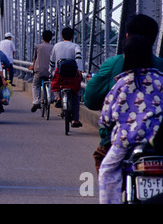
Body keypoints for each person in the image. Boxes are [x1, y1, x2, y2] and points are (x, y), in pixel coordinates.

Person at [84, 14, 163, 173]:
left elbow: (91, 100)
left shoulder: (115, 69)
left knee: (104, 166)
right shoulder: (160, 68)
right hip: (158, 139)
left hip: (121, 140)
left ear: (126, 37)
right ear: (154, 40)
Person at [98, 34, 163, 204]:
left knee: (107, 172)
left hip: (127, 141)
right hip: (158, 140)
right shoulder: (161, 80)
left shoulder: (122, 83)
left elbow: (105, 117)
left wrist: (106, 124)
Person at [49, 27, 83, 127]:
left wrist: (50, 71)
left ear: (62, 36)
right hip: (72, 74)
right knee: (75, 93)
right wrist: (79, 70)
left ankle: (58, 98)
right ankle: (76, 120)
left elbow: (52, 61)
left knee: (54, 85)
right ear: (72, 36)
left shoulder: (56, 45)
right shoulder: (75, 46)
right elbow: (78, 57)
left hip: (60, 73)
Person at [29, 30, 54, 112]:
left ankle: (36, 101)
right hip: (50, 71)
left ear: (42, 37)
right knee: (52, 83)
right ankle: (52, 97)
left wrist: (33, 67)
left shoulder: (38, 46)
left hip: (39, 71)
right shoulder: (53, 47)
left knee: (35, 85)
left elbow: (34, 59)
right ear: (51, 38)